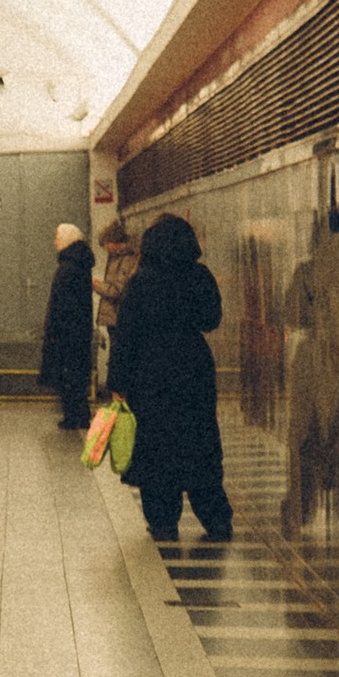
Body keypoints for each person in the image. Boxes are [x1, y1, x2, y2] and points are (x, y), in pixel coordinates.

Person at [108, 207, 233, 543]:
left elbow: (127, 336)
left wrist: (117, 384)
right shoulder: (200, 277)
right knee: (200, 442)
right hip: (194, 368)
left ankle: (163, 521)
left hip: (151, 372)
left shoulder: (142, 282)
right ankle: (216, 518)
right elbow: (212, 320)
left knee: (156, 446)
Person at [40, 218, 96, 430]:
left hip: (67, 331)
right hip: (78, 329)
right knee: (77, 373)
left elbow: (61, 303)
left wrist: (53, 329)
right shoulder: (80, 263)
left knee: (68, 373)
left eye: (57, 237)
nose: (55, 242)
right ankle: (78, 414)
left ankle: (74, 416)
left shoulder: (68, 267)